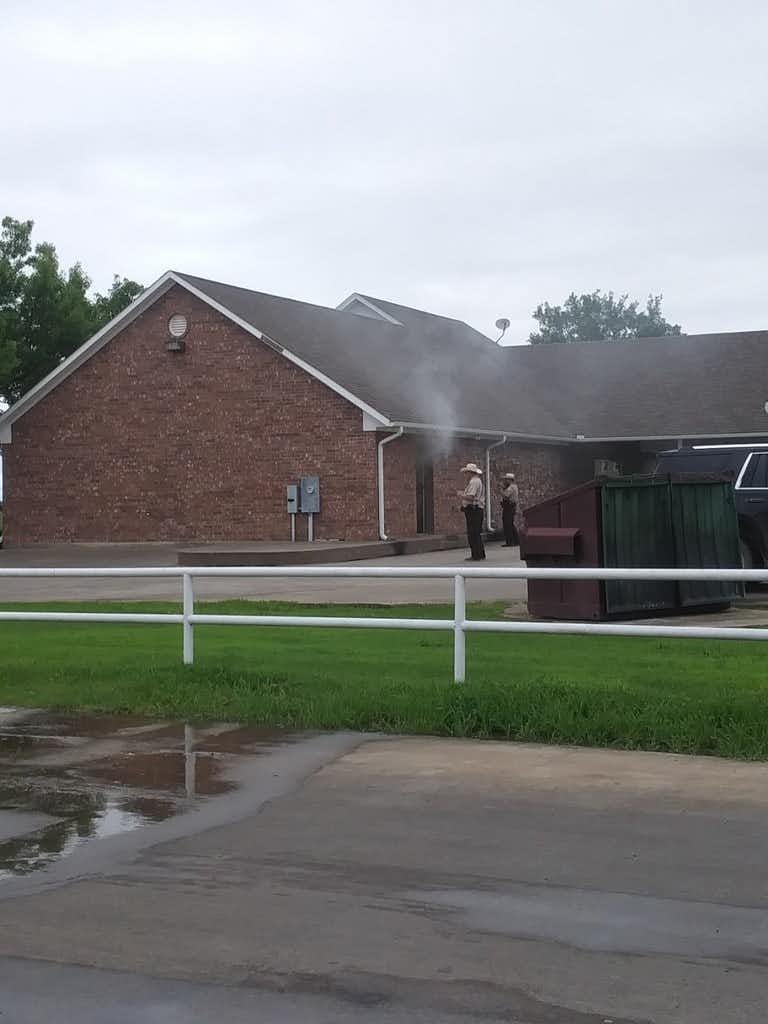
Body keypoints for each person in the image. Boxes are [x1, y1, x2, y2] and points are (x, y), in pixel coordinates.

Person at [457, 463, 486, 560]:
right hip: (476, 509)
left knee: (473, 533)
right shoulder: (477, 481)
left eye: (466, 472)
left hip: (474, 509)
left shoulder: (474, 482)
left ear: (470, 472)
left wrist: (461, 495)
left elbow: (471, 497)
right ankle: (480, 554)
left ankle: (476, 555)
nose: (465, 475)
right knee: (476, 533)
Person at [501, 472, 519, 547]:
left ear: (510, 480)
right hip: (510, 506)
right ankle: (516, 540)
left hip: (509, 506)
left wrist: (501, 489)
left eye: (506, 479)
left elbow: (506, 495)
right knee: (510, 524)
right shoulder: (514, 486)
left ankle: (510, 541)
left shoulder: (511, 487)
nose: (505, 481)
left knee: (507, 524)